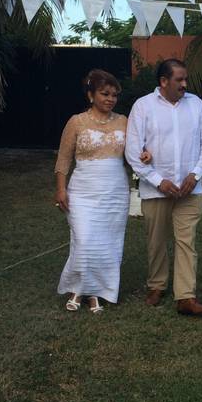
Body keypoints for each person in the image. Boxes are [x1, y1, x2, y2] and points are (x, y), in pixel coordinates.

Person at [54, 70, 150, 313]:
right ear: (90, 95)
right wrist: (60, 189)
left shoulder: (124, 121)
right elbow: (63, 159)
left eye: (114, 95)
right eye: (104, 94)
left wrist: (145, 154)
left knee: (108, 243)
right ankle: (78, 288)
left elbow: (135, 151)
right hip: (83, 190)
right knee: (84, 240)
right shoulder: (76, 122)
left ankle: (96, 292)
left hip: (115, 191)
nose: (110, 99)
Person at [125, 58, 202, 316]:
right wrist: (158, 180)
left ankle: (185, 296)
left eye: (186, 79)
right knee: (156, 241)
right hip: (156, 190)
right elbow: (133, 152)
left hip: (190, 189)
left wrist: (196, 175)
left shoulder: (196, 104)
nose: (185, 84)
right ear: (163, 81)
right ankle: (156, 285)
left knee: (186, 242)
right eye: (179, 80)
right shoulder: (143, 106)